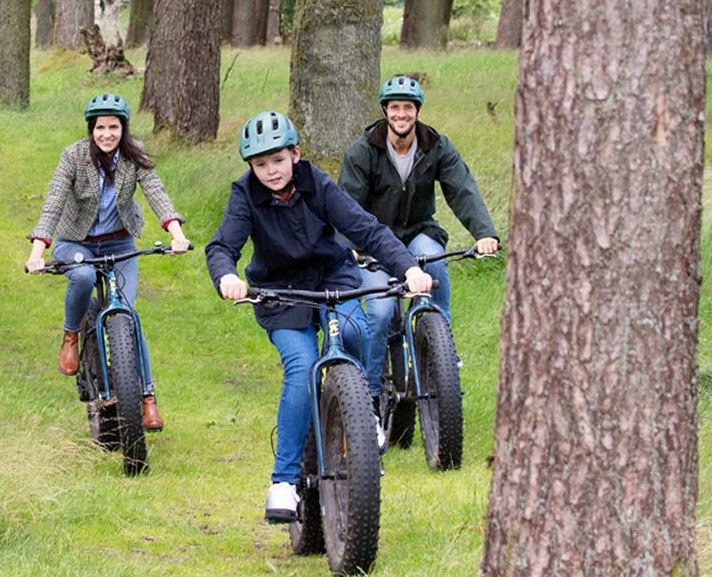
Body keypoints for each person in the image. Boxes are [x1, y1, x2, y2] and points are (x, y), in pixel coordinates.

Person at [206, 111, 431, 523]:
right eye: (260, 165)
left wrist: (408, 268)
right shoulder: (244, 196)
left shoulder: (317, 183)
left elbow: (366, 230)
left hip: (333, 278)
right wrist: (227, 277)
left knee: (356, 331)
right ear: (250, 167)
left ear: (295, 153)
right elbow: (222, 246)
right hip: (280, 293)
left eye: (277, 160)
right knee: (303, 367)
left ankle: (367, 415)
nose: (270, 171)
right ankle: (284, 482)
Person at [25, 93, 191, 431]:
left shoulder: (134, 155)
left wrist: (176, 234)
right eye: (100, 127)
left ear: (123, 129)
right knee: (84, 278)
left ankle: (147, 398)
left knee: (127, 316)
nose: (107, 134)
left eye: (113, 127)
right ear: (91, 129)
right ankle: (71, 336)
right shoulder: (73, 156)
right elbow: (54, 201)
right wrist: (37, 253)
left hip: (119, 242)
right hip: (76, 243)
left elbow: (156, 192)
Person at [341, 75, 500, 394]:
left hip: (417, 232)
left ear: (418, 110)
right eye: (395, 107)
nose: (402, 114)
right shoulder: (363, 151)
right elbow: (347, 205)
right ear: (385, 110)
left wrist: (484, 233)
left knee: (436, 263)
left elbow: (462, 190)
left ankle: (442, 347)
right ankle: (369, 393)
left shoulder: (435, 145)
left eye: (408, 108)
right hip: (372, 243)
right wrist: (350, 247)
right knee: (382, 312)